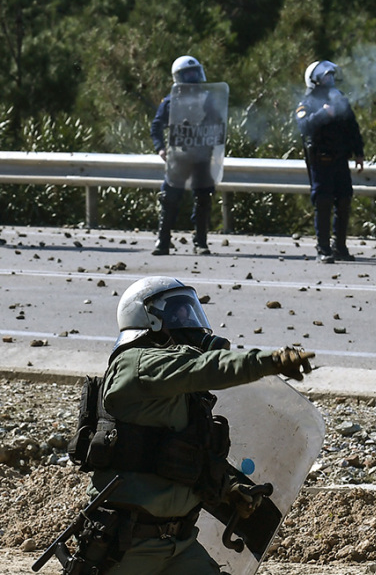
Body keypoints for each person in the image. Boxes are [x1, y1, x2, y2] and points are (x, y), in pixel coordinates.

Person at [61, 276, 315, 574]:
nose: (188, 320)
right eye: (177, 313)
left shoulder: (182, 389)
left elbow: (180, 457)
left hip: (180, 545)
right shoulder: (136, 364)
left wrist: (229, 489)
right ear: (149, 320)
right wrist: (269, 362)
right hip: (125, 546)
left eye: (190, 310)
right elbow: (203, 367)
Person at [150, 55, 224, 256]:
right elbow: (156, 126)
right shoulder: (171, 101)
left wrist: (215, 145)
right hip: (179, 157)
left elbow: (219, 124)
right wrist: (160, 148)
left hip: (202, 156)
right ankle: (163, 241)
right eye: (188, 74)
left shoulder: (208, 98)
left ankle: (201, 242)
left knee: (203, 199)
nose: (193, 78)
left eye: (195, 73)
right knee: (169, 198)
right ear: (178, 77)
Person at [296, 60, 365, 264]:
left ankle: (340, 247)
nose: (330, 80)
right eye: (326, 77)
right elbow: (304, 126)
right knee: (323, 201)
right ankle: (323, 248)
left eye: (332, 76)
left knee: (344, 200)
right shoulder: (307, 103)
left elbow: (352, 126)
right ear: (314, 80)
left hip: (340, 159)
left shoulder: (339, 98)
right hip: (321, 160)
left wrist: (359, 152)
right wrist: (323, 114)